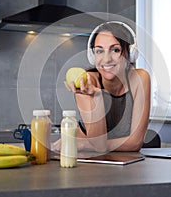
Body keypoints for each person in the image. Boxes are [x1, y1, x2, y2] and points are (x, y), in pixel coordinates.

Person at [54, 21, 151, 153]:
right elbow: (98, 146)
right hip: (88, 161)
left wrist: (84, 144)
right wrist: (98, 96)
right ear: (93, 56)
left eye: (115, 50)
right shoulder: (86, 81)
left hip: (124, 161)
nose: (106, 59)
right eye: (99, 51)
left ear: (130, 53)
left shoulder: (141, 78)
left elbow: (134, 144)